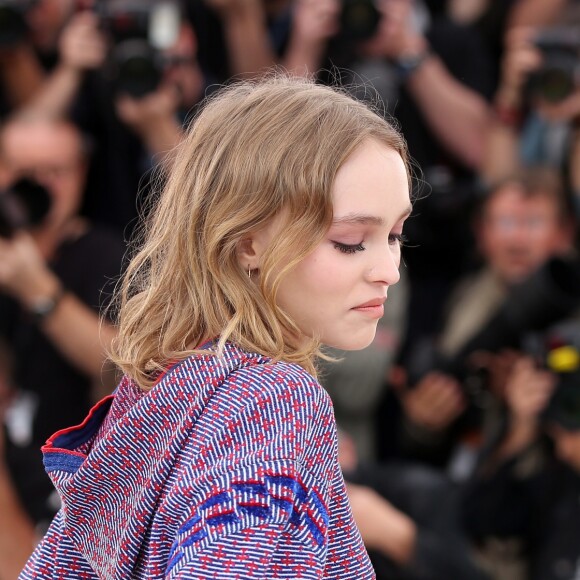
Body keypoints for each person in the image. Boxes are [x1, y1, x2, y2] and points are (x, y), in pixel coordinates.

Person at [19, 75, 412, 578]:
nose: (389, 270)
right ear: (247, 242)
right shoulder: (273, 399)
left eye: (396, 234)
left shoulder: (167, 387)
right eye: (351, 240)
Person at [0, 116, 126, 576]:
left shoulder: (108, 255)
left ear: (81, 172)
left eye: (56, 171)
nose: (41, 186)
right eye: (25, 172)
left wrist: (37, 289)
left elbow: (123, 368)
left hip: (71, 473)